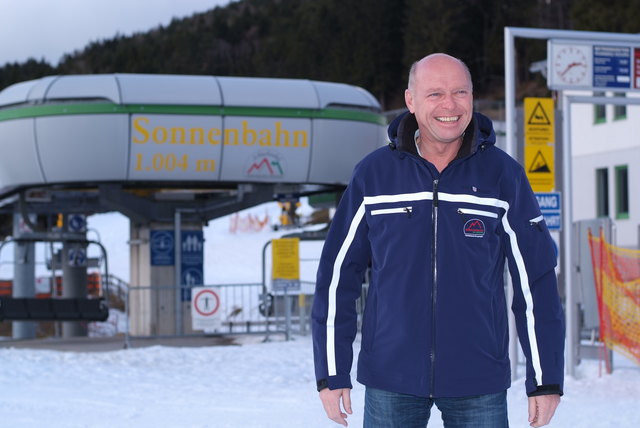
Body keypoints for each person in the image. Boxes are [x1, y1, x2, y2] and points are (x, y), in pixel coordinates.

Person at [311, 53, 565, 428]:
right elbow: (337, 278)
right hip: (390, 380)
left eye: (460, 92)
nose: (450, 105)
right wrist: (332, 372)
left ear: (472, 97)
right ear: (411, 100)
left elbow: (535, 281)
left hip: (478, 382)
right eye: (435, 94)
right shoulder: (374, 175)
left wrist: (545, 380)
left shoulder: (502, 175)